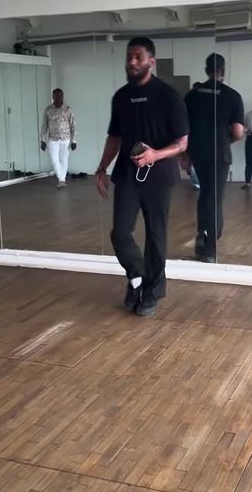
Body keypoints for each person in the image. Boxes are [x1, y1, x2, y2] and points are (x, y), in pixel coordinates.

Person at [96, 37, 188, 317]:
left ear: (151, 61)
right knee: (120, 233)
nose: (132, 62)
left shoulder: (168, 96)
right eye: (129, 57)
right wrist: (102, 168)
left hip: (159, 177)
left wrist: (155, 155)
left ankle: (152, 292)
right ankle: (137, 277)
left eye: (138, 57)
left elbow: (182, 143)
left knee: (156, 236)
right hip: (127, 176)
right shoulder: (121, 97)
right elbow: (115, 137)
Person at [185, 53, 244, 262]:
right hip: (220, 153)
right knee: (215, 198)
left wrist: (185, 155)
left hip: (197, 151)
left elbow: (183, 129)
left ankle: (202, 235)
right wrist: (224, 141)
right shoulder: (233, 96)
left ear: (206, 70)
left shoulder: (192, 96)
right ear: (223, 71)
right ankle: (210, 249)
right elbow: (238, 132)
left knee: (205, 194)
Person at [40, 88, 77, 188]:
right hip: (53, 139)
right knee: (54, 159)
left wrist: (74, 141)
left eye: (60, 95)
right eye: (55, 96)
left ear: (62, 96)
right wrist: (42, 140)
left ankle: (62, 180)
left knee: (64, 159)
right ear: (53, 96)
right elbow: (44, 125)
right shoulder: (48, 109)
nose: (57, 97)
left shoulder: (68, 109)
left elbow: (73, 125)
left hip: (66, 139)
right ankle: (61, 178)